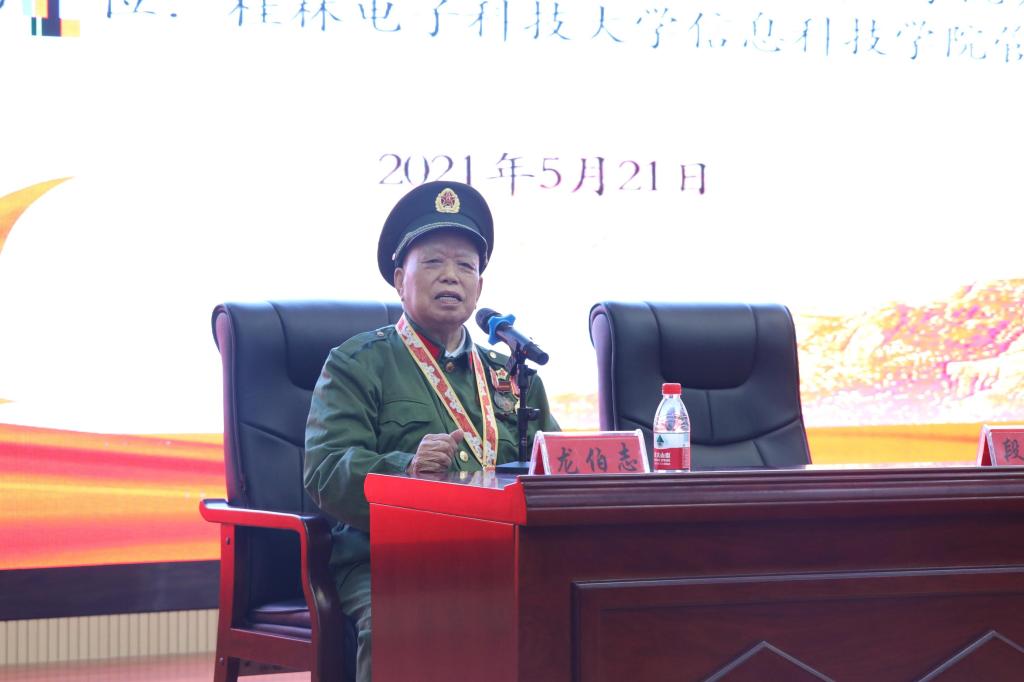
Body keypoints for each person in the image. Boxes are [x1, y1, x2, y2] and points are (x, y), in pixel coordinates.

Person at [304, 181, 560, 681]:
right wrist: (407, 470)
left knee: (575, 610)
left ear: (479, 288)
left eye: (465, 266)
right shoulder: (359, 364)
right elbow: (325, 471)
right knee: (406, 624)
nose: (451, 276)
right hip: (393, 559)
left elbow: (554, 465)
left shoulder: (513, 376)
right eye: (434, 263)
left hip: (505, 558)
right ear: (400, 280)